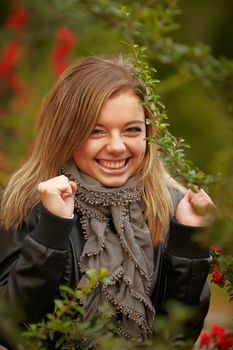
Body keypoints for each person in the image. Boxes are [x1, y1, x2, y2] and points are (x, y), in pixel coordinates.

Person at [0, 55, 215, 345]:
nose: (116, 146)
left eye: (132, 130)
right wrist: (51, 232)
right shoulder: (29, 204)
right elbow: (11, 328)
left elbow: (177, 338)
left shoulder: (171, 206)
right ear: (66, 133)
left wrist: (189, 241)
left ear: (149, 133)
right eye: (96, 131)